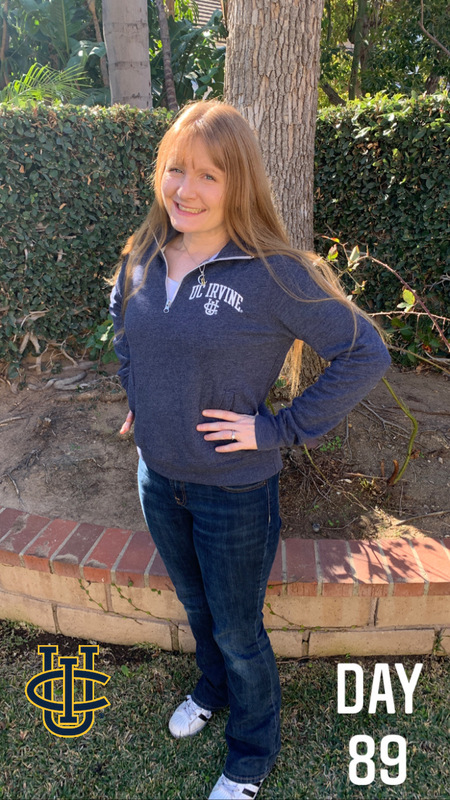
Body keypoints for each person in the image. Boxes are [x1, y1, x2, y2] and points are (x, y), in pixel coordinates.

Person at [109, 100, 391, 800]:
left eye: (209, 174)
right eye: (176, 169)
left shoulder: (275, 272)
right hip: (158, 477)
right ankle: (210, 690)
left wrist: (278, 429)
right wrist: (139, 398)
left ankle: (252, 751)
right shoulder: (142, 257)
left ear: (241, 184)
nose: (187, 189)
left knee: (238, 629)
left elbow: (364, 352)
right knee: (198, 608)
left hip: (234, 491)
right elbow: (126, 338)